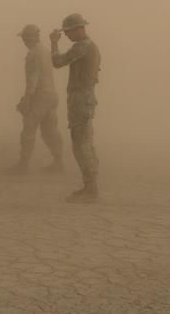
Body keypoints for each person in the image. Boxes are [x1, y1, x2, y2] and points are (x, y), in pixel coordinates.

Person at [50, 14, 101, 203]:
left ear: (78, 29)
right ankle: (90, 185)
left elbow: (58, 62)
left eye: (69, 32)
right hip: (84, 97)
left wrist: (54, 43)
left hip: (81, 98)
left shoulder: (82, 46)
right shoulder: (90, 46)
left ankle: (91, 188)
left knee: (81, 145)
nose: (68, 36)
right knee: (85, 142)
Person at [4, 24, 64, 175]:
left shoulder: (33, 54)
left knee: (29, 128)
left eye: (24, 37)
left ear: (28, 37)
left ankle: (23, 164)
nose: (23, 40)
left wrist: (26, 99)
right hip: (52, 95)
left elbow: (32, 80)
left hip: (40, 96)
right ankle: (58, 161)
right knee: (50, 130)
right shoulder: (44, 51)